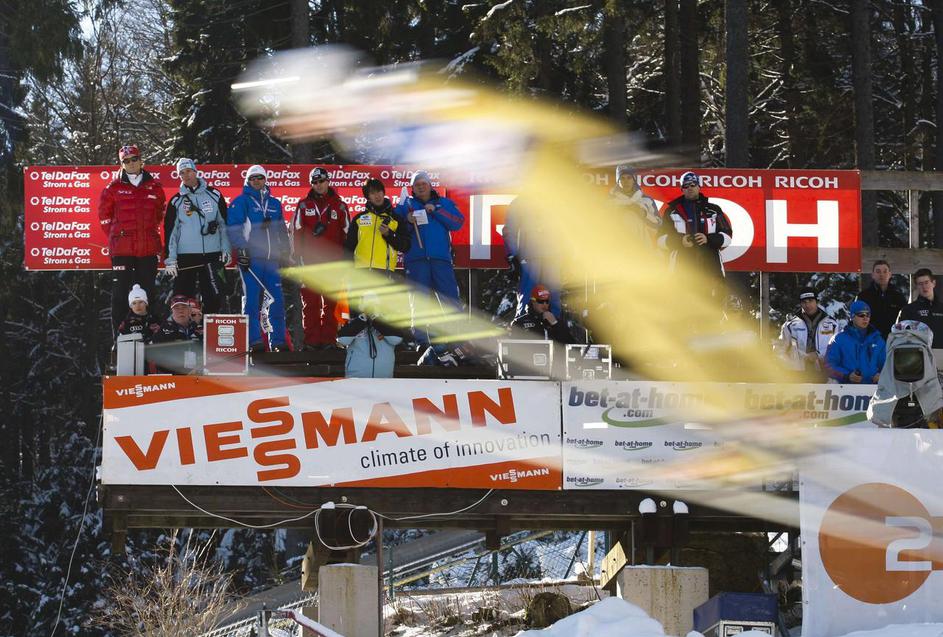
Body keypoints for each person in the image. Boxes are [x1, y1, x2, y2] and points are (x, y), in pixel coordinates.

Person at [98, 144, 166, 334]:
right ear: (121, 164)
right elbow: (104, 217)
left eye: (134, 159)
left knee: (148, 293)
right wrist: (118, 236)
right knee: (120, 295)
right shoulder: (113, 188)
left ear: (141, 160)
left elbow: (159, 214)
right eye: (126, 161)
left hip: (148, 249)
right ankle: (120, 340)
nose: (131, 163)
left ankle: (150, 336)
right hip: (122, 251)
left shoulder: (155, 186)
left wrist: (148, 233)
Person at [395, 170, 465, 345]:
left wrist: (437, 211)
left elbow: (458, 222)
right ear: (412, 188)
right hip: (416, 260)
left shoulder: (444, 202)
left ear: (430, 185)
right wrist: (407, 220)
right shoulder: (406, 205)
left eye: (423, 183)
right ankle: (421, 341)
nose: (420, 187)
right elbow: (394, 226)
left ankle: (455, 339)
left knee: (449, 299)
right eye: (417, 184)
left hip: (441, 259)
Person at [226, 165, 290, 352]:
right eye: (252, 178)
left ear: (265, 180)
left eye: (259, 177)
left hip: (272, 260)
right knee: (252, 301)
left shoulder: (275, 203)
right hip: (252, 260)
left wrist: (285, 252)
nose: (256, 181)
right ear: (247, 181)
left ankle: (278, 342)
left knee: (277, 301)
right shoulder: (241, 202)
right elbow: (234, 228)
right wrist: (242, 251)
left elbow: (282, 230)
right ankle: (254, 341)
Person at [163, 158, 230, 314]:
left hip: (212, 254)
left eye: (188, 171)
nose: (186, 175)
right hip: (186, 256)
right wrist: (170, 259)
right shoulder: (176, 201)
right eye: (181, 173)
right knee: (183, 298)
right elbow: (171, 232)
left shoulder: (214, 195)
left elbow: (224, 224)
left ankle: (209, 327)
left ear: (195, 171)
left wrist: (226, 249)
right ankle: (185, 328)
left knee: (213, 297)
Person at [292, 167, 349, 349]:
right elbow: (296, 233)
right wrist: (298, 259)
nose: (318, 185)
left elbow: (347, 235)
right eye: (315, 182)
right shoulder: (303, 205)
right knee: (311, 303)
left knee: (331, 303)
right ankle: (312, 342)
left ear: (328, 181)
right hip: (309, 263)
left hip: (333, 263)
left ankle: (329, 340)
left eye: (321, 181)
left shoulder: (340, 206)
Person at [657, 171, 732, 294]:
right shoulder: (671, 211)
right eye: (686, 186)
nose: (690, 188)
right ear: (682, 189)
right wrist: (680, 241)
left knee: (711, 302)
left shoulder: (714, 209)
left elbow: (727, 236)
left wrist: (708, 239)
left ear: (699, 186)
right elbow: (660, 240)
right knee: (682, 301)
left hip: (710, 266)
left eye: (693, 184)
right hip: (681, 266)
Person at [503, 197, 562, 318]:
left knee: (553, 296)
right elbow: (510, 230)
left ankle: (554, 325)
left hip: (552, 256)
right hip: (529, 256)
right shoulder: (520, 202)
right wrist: (512, 256)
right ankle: (524, 323)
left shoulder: (555, 198)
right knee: (527, 294)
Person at [346, 179, 410, 274]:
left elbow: (406, 246)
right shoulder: (358, 219)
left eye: (379, 191)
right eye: (372, 193)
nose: (377, 196)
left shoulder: (396, 219)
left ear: (383, 192)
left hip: (385, 271)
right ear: (368, 197)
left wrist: (389, 234)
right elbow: (349, 247)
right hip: (360, 271)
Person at [336, 294, 404, 378]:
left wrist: (376, 320)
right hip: (356, 378)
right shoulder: (354, 319)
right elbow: (342, 340)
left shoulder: (388, 320)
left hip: (384, 379)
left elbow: (396, 339)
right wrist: (361, 320)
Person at [777, 289, 842, 373]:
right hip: (797, 373)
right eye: (804, 302)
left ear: (817, 302)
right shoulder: (790, 325)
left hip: (824, 372)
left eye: (810, 301)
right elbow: (779, 348)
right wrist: (788, 366)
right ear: (800, 304)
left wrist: (819, 354)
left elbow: (838, 349)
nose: (807, 305)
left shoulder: (832, 324)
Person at [825, 300, 886, 384]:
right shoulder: (838, 339)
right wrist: (847, 376)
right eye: (861, 315)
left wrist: (882, 375)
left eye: (868, 315)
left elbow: (887, 365)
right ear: (852, 316)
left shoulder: (878, 340)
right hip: (847, 389)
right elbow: (829, 365)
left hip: (873, 389)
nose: (865, 318)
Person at [855, 260, 906, 340]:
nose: (881, 274)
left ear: (890, 274)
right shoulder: (863, 297)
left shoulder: (898, 297)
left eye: (885, 271)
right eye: (878, 271)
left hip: (893, 341)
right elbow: (856, 321)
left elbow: (905, 321)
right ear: (873, 275)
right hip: (869, 341)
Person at [610, 164, 660, 243]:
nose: (626, 181)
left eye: (629, 178)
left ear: (634, 180)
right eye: (622, 178)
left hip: (643, 247)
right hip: (617, 246)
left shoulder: (647, 200)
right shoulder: (610, 202)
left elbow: (658, 225)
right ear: (618, 181)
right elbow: (601, 226)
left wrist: (644, 214)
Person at [510, 284, 574, 344]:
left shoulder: (556, 321)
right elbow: (512, 346)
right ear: (533, 301)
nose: (544, 304)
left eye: (547, 301)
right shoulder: (520, 322)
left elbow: (572, 345)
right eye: (541, 301)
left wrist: (555, 324)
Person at [898, 268, 943, 349]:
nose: (924, 287)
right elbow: (901, 335)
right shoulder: (908, 310)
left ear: (933, 283)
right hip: (919, 353)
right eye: (920, 284)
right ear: (916, 286)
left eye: (926, 282)